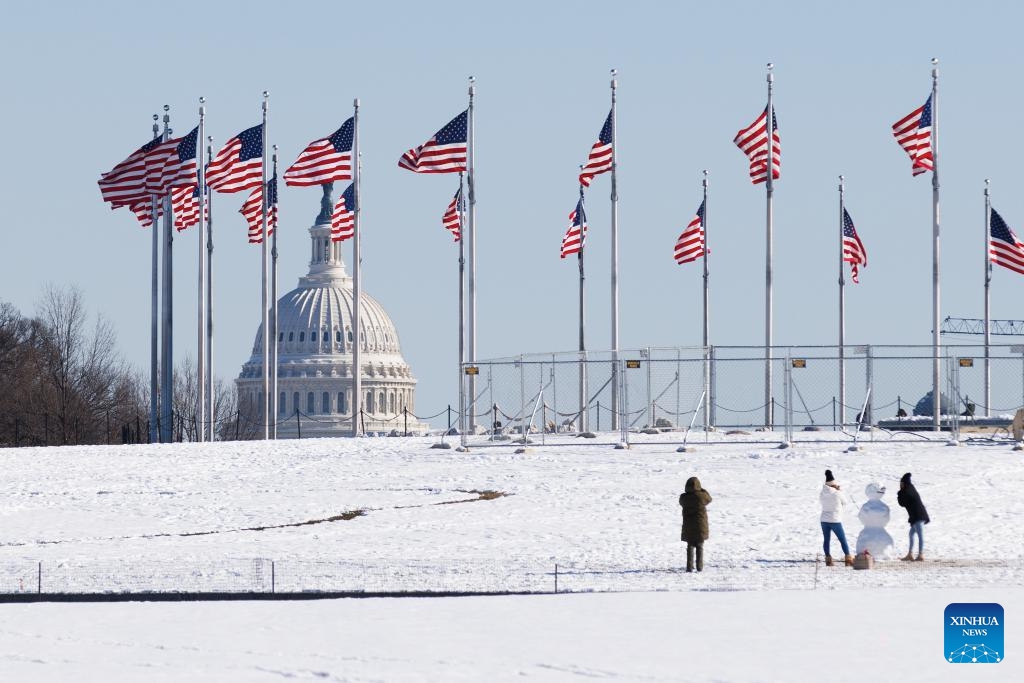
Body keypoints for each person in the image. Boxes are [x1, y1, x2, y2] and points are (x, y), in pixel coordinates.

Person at [820, 469, 853, 567]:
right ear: (833, 484)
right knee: (842, 539)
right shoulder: (837, 493)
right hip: (835, 519)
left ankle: (828, 559)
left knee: (826, 539)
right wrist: (839, 491)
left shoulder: (822, 493)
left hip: (824, 519)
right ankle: (848, 559)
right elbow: (845, 502)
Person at [679, 476, 712, 572]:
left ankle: (689, 567)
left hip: (688, 526)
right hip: (700, 527)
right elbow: (709, 499)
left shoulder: (684, 497)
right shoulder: (701, 496)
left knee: (690, 547)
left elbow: (680, 501)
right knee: (700, 546)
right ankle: (699, 567)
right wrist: (702, 490)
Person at [897, 472, 930, 561]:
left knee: (920, 535)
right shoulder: (909, 489)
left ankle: (921, 554)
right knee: (911, 534)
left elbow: (902, 503)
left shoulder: (908, 491)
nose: (900, 485)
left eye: (902, 483)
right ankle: (910, 554)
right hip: (916, 516)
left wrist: (899, 493)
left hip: (919, 516)